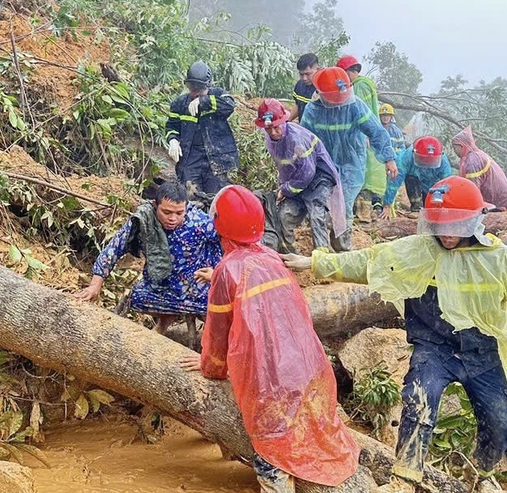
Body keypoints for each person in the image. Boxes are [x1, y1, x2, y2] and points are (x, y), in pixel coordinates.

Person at [283, 176, 507, 493]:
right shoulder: (418, 251)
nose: (446, 234)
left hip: (481, 351)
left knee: (502, 419)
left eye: (454, 225)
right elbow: (369, 260)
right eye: (439, 225)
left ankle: (483, 472)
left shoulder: (497, 258)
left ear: (472, 222)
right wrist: (314, 262)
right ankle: (404, 480)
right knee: (418, 400)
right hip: (434, 347)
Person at [180, 185, 360, 493]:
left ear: (219, 226)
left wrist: (209, 367)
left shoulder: (226, 272)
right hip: (312, 369)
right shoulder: (273, 258)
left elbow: (217, 337)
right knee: (316, 430)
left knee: (272, 454)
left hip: (270, 381)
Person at [74, 181, 222, 335]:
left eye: (179, 213)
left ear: (186, 207)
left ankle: (210, 345)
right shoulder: (144, 220)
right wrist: (94, 286)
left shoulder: (200, 222)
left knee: (215, 310)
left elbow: (233, 244)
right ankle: (166, 319)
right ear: (155, 205)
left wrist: (217, 273)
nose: (173, 218)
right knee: (138, 298)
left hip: (195, 288)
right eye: (166, 212)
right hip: (160, 287)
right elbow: (114, 248)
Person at [301, 67, 396, 250]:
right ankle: (321, 251)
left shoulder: (354, 105)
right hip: (323, 165)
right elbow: (305, 141)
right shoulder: (313, 111)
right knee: (321, 205)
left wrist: (389, 158)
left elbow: (376, 131)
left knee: (344, 205)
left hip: (351, 163)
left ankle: (342, 250)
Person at [255, 98, 346, 252]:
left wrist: (285, 190)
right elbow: (283, 165)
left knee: (317, 215)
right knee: (284, 216)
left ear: (284, 121)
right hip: (295, 180)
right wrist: (283, 186)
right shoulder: (270, 138)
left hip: (319, 177)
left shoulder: (297, 140)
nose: (273, 132)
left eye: (276, 127)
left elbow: (307, 173)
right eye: (268, 129)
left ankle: (323, 257)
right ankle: (288, 254)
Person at [166, 61, 239, 204]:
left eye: (199, 89)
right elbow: (172, 126)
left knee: (216, 201)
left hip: (216, 158)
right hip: (190, 157)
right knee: (191, 200)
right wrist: (173, 140)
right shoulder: (179, 104)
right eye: (192, 88)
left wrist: (204, 101)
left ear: (208, 85)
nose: (195, 93)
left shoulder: (218, 95)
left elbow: (230, 105)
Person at [337, 55, 387, 221]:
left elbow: (362, 112)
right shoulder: (365, 83)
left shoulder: (360, 86)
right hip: (366, 135)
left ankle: (361, 215)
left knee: (363, 175)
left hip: (363, 137)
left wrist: (365, 133)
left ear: (348, 72)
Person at [380, 136, 453, 216]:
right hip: (414, 180)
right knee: (411, 179)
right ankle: (416, 208)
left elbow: (448, 183)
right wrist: (387, 204)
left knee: (431, 205)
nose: (426, 164)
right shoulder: (405, 158)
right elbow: (394, 182)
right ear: (414, 153)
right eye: (424, 160)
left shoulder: (444, 163)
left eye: (430, 161)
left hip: (433, 184)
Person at [451, 126, 507, 210]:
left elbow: (471, 190)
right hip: (499, 199)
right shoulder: (475, 155)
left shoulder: (472, 162)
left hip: (497, 203)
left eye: (455, 148)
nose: (454, 151)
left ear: (462, 146)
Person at [288, 53, 320, 123]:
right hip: (304, 130)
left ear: (318, 69)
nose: (304, 78)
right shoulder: (299, 85)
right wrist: (288, 120)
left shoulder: (324, 87)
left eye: (308, 74)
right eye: (301, 74)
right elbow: (298, 105)